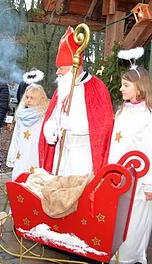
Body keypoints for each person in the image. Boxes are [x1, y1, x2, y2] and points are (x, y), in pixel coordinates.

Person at [38, 26, 114, 176]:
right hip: (61, 155)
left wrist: (73, 125)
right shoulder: (62, 88)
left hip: (83, 158)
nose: (58, 72)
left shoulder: (96, 87)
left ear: (75, 67)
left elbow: (103, 126)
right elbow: (53, 116)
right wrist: (50, 127)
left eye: (61, 68)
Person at [108, 66, 152, 264]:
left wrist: (150, 184)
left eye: (126, 85)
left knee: (133, 227)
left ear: (140, 87)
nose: (121, 89)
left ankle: (130, 259)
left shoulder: (147, 118)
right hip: (118, 180)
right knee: (116, 224)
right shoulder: (123, 111)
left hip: (139, 183)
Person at [7, 83, 49, 181]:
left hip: (36, 153)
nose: (28, 100)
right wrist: (12, 156)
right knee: (19, 177)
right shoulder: (21, 115)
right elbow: (16, 137)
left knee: (34, 179)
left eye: (32, 98)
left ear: (40, 98)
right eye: (27, 97)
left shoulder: (44, 116)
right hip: (21, 153)